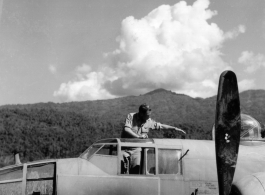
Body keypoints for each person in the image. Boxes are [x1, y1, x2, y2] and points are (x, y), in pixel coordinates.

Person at [121, 103, 186, 174]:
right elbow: (126, 129)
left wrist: (174, 128)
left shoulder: (149, 121)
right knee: (119, 169)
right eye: (147, 115)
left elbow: (160, 126)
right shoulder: (131, 116)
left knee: (136, 170)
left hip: (137, 149)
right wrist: (138, 137)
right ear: (141, 114)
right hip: (124, 147)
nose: (148, 117)